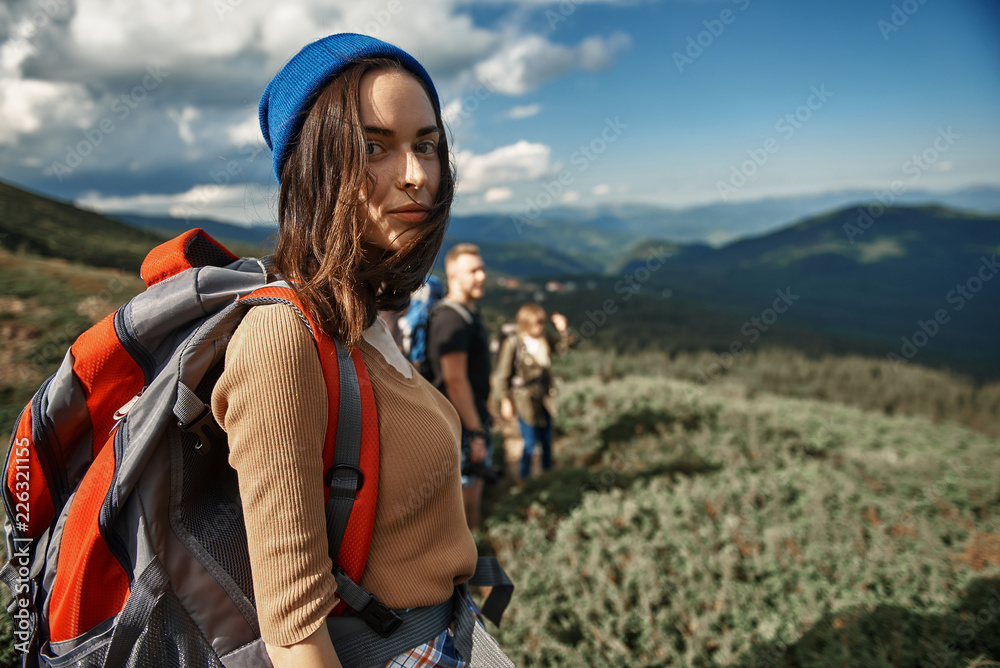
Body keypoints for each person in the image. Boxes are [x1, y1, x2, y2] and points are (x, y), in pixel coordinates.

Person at [210, 33, 509, 668]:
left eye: (426, 144)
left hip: (447, 635)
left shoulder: (368, 320)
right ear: (310, 165)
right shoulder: (284, 339)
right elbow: (293, 634)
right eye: (374, 147)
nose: (416, 175)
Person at [425, 244, 492, 530]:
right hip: (460, 423)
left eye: (482, 269)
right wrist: (476, 430)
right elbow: (454, 380)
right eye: (472, 271)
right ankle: (469, 560)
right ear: (453, 276)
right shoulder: (452, 321)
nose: (481, 276)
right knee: (464, 497)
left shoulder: (465, 314)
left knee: (472, 489)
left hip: (467, 415)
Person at [491, 303, 574, 480]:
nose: (541, 326)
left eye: (543, 323)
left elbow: (564, 348)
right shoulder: (513, 343)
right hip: (524, 399)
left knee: (546, 438)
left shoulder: (545, 338)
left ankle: (547, 475)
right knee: (529, 441)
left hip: (545, 395)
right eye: (537, 323)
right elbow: (502, 375)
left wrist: (564, 330)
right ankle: (524, 478)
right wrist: (505, 400)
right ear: (526, 323)